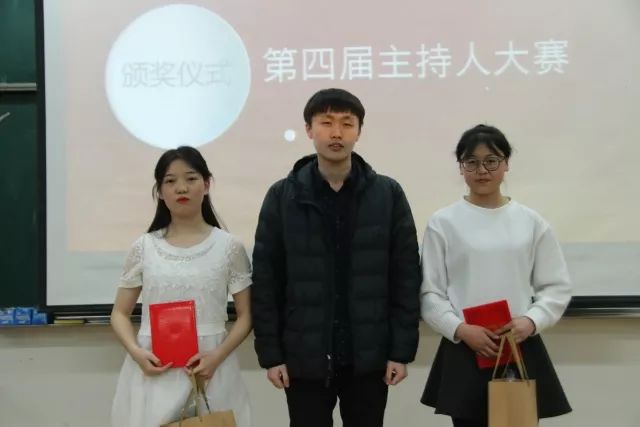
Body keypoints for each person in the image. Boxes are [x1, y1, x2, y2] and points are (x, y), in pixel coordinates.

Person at [251, 88, 422, 427]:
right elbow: (267, 281)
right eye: (326, 122)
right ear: (309, 129)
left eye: (347, 123)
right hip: (304, 358)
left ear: (359, 131)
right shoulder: (283, 196)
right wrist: (271, 355)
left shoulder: (387, 194)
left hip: (369, 358)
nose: (336, 133)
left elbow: (405, 277)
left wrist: (400, 352)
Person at [419, 124, 572, 426]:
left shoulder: (531, 222)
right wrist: (460, 329)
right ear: (461, 168)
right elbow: (429, 292)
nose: (482, 170)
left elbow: (556, 287)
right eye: (471, 162)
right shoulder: (443, 222)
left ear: (506, 164)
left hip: (518, 345)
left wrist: (531, 321)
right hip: (465, 347)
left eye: (491, 161)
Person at [110, 146, 252, 427]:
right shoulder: (143, 247)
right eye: (170, 181)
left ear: (206, 184)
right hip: (155, 367)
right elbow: (119, 313)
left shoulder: (229, 247)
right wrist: (137, 353)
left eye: (191, 178)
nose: (181, 188)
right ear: (160, 192)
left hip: (212, 367)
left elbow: (246, 315)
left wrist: (217, 356)